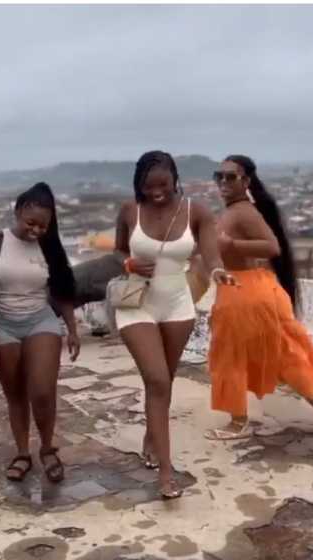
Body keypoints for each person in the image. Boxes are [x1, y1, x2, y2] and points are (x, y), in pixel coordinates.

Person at [113, 150, 237, 499]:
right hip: (137, 304)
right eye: (149, 185)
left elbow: (210, 254)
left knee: (162, 382)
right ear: (139, 183)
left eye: (164, 184)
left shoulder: (195, 211)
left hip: (177, 306)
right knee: (156, 379)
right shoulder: (128, 210)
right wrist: (130, 265)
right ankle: (167, 474)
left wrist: (217, 272)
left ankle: (152, 436)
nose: (157, 192)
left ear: (175, 180)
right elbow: (119, 251)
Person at [205, 155, 313, 439]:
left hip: (242, 291)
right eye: (219, 176)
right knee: (285, 352)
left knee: (228, 357)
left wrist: (232, 244)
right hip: (262, 289)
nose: (223, 182)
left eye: (231, 176)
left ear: (246, 181)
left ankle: (237, 423)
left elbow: (271, 246)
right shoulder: (237, 212)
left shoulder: (243, 212)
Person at [0, 182, 80, 484]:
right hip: (2, 322)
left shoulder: (49, 247)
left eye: (43, 226)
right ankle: (22, 452)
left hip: (40, 320)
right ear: (18, 212)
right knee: (15, 394)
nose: (36, 230)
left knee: (42, 391)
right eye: (31, 223)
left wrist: (71, 328)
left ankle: (47, 447)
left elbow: (62, 291)